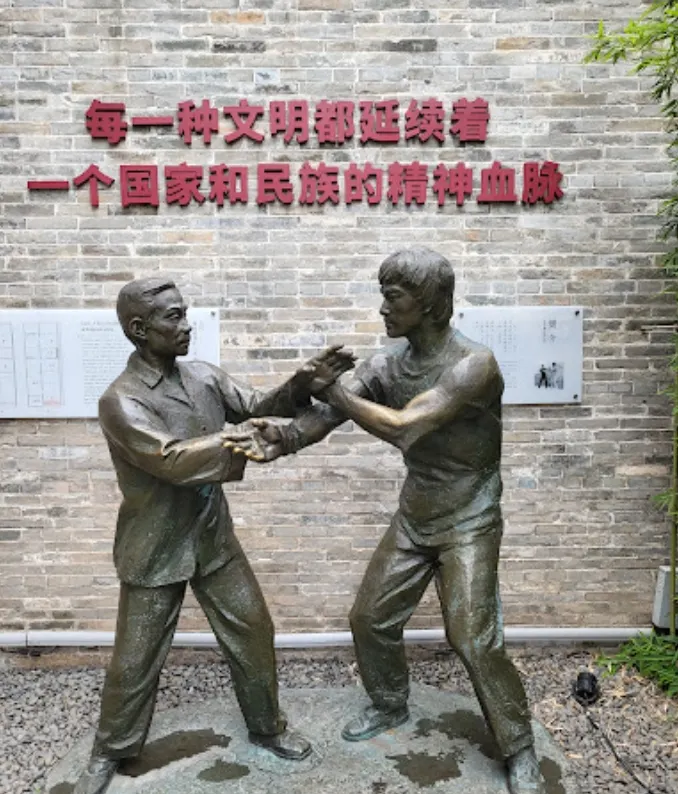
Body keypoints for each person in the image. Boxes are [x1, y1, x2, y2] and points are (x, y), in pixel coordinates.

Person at [240, 248, 545, 794]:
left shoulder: (473, 365)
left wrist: (331, 389)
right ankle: (389, 704)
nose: (382, 308)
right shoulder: (386, 364)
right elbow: (329, 415)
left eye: (393, 297)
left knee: (472, 638)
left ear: (428, 305)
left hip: (470, 516)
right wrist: (283, 438)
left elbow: (405, 427)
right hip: (416, 513)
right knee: (370, 618)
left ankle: (518, 746)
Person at [73, 277, 355, 794]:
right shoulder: (120, 401)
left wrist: (300, 385)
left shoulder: (202, 377)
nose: (186, 325)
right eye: (173, 317)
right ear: (139, 329)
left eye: (185, 314)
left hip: (211, 539)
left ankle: (267, 728)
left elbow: (253, 402)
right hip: (155, 547)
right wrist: (246, 438)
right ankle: (109, 750)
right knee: (135, 660)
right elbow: (171, 460)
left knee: (253, 630)